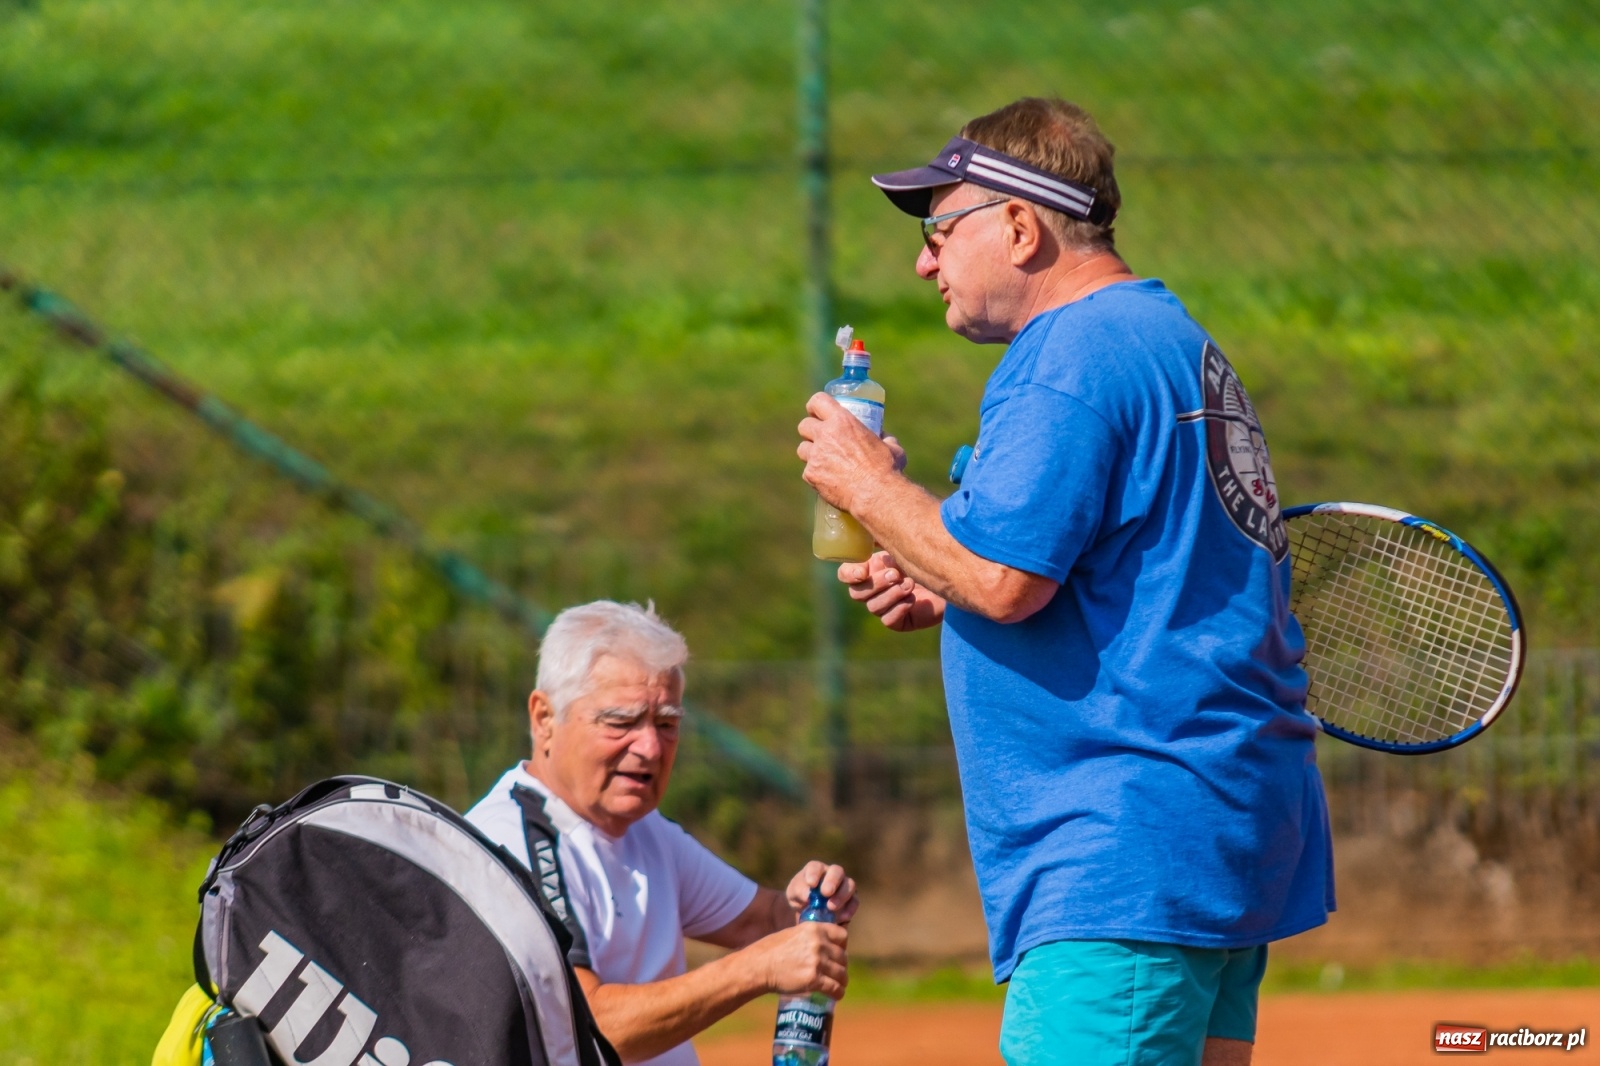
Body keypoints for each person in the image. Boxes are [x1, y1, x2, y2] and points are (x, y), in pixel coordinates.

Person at [795, 97, 1333, 1066]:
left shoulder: (1068, 357)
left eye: (937, 229)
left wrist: (868, 485)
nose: (924, 262)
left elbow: (1004, 580)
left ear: (1017, 225)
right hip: (1204, 830)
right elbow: (1107, 566)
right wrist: (937, 575)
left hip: (1123, 846)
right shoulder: (1164, 335)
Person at [466, 600, 857, 1066]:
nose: (650, 747)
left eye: (667, 724)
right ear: (544, 719)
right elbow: (591, 1028)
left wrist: (810, 905)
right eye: (621, 722)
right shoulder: (509, 843)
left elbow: (763, 921)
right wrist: (760, 967)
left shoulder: (643, 832)